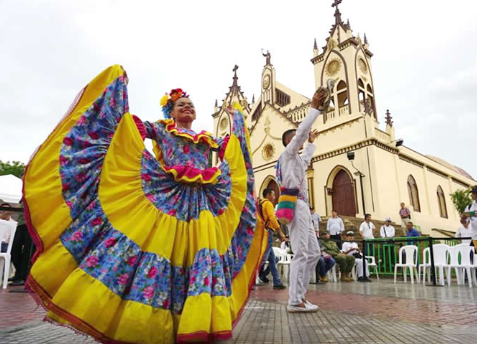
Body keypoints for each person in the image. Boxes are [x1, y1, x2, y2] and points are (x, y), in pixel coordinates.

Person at [22, 65, 266, 343]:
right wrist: (119, 95)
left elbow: (234, 150)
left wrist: (237, 123)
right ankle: (154, 321)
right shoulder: (162, 130)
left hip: (202, 201)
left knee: (197, 254)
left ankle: (196, 317)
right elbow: (129, 126)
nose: (187, 107)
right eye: (180, 105)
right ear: (171, 112)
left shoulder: (207, 139)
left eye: (190, 105)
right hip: (167, 196)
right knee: (162, 249)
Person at [276, 88, 328, 313]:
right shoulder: (287, 154)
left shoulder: (295, 160)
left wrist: (312, 143)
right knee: (300, 252)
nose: (302, 137)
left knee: (313, 253)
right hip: (294, 204)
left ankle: (300, 296)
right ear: (289, 141)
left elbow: (305, 159)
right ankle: (294, 300)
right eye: (297, 136)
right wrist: (314, 109)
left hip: (303, 206)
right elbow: (299, 137)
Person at [258, 188, 287, 290]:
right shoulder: (268, 204)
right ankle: (250, 278)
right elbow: (272, 217)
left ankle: (276, 281)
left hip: (262, 231)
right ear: (269, 194)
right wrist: (280, 232)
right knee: (264, 257)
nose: (275, 197)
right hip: (268, 231)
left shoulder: (260, 204)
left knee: (272, 258)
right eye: (273, 194)